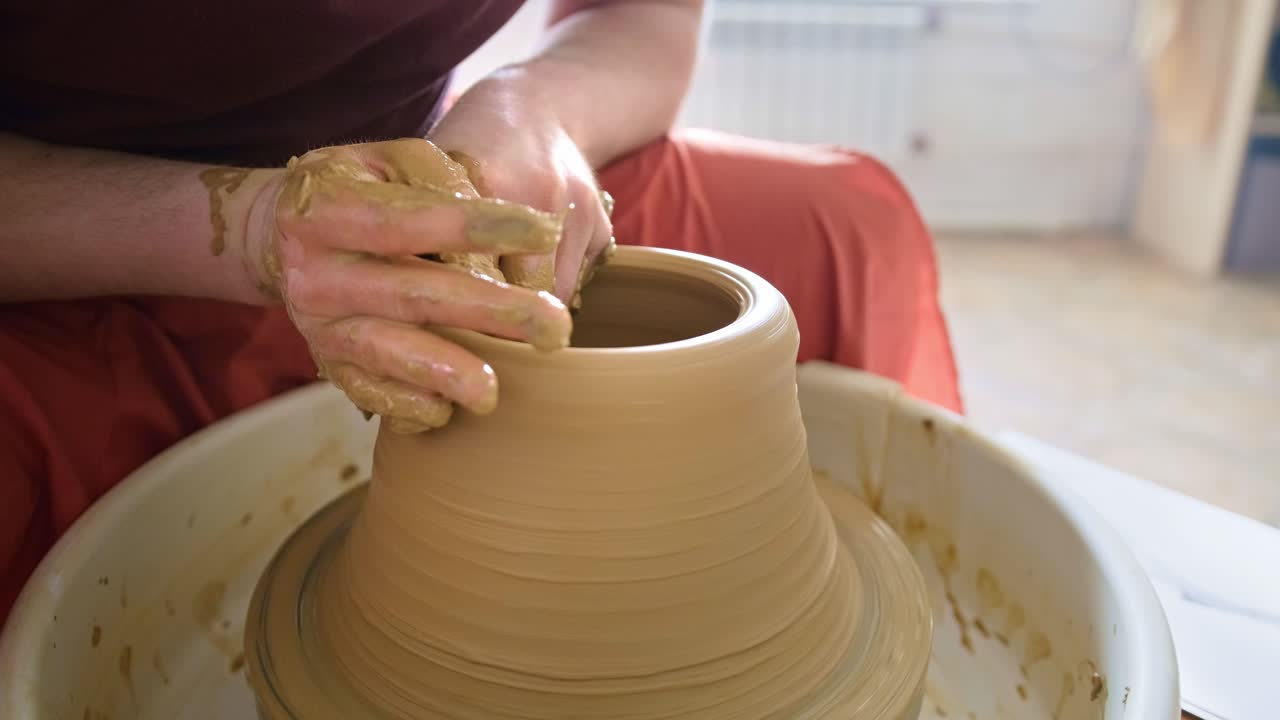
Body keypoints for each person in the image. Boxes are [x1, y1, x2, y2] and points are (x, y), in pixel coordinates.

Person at [0, 0, 961, 618]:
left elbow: (644, 14)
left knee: (840, 230)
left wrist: (535, 108)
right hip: (81, 239)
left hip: (433, 188)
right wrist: (250, 230)